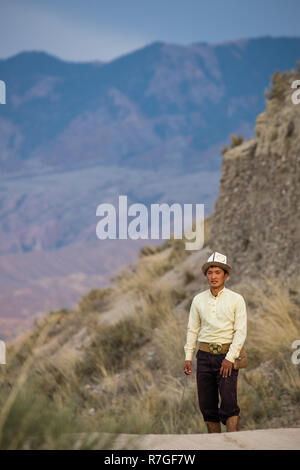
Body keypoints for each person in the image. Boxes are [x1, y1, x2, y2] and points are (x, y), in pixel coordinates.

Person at [184, 251, 247, 433]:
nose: (213, 276)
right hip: (203, 357)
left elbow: (240, 332)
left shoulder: (236, 299)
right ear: (206, 275)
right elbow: (192, 330)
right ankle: (215, 445)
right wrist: (188, 357)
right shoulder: (198, 300)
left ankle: (234, 444)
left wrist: (230, 358)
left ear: (225, 275)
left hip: (227, 356)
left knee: (229, 404)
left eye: (218, 272)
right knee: (207, 406)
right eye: (210, 272)